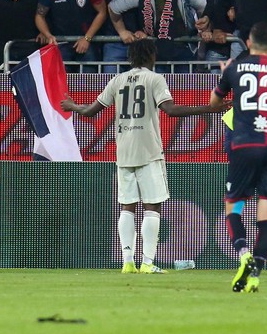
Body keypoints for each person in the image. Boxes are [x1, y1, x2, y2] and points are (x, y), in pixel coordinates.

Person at [60, 39, 224, 274]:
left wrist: (73, 106)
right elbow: (170, 110)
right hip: (148, 151)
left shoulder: (117, 81)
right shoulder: (154, 79)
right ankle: (147, 263)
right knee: (151, 207)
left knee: (127, 207)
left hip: (124, 151)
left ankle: (127, 261)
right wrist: (208, 108)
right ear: (151, 56)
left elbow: (90, 111)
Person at [208, 22, 267, 293]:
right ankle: (256, 274)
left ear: (248, 43)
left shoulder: (235, 67)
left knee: (234, 204)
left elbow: (215, 103)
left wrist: (224, 77)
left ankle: (243, 253)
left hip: (244, 143)